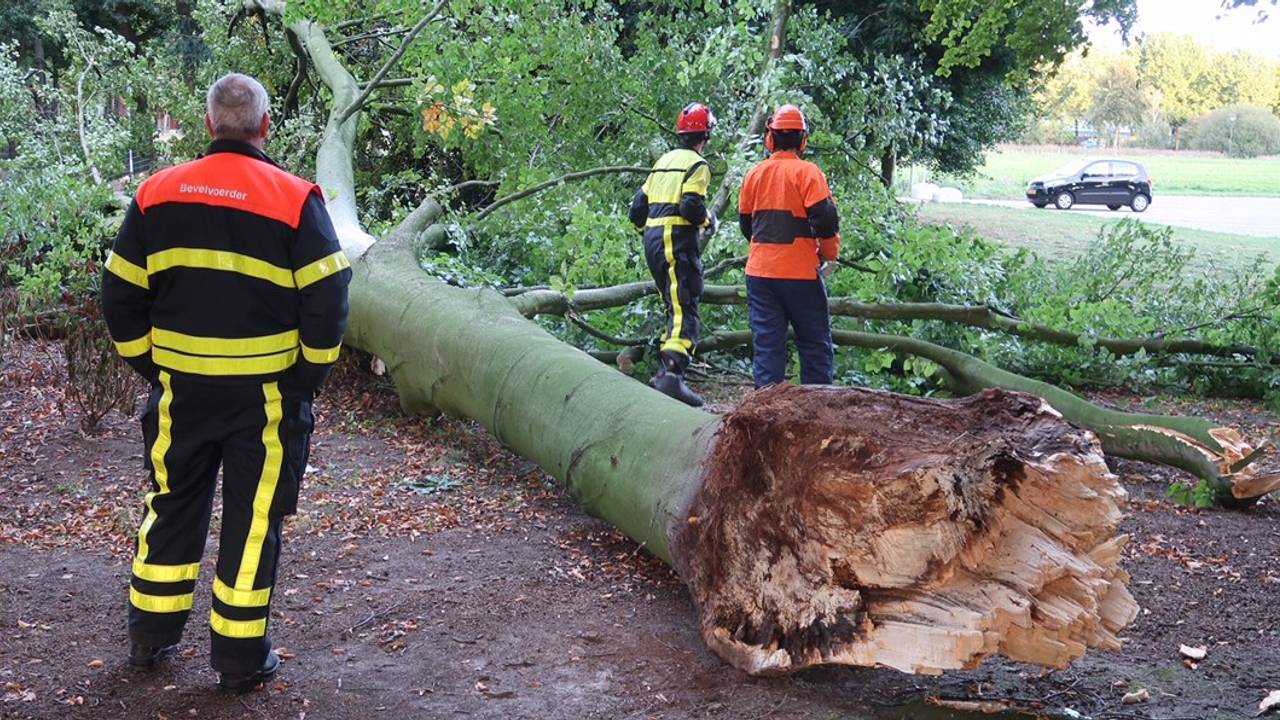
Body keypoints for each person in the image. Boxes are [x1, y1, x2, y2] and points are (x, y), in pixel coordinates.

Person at [101, 72, 351, 692]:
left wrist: (153, 366)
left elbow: (119, 294)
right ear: (264, 126)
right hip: (264, 399)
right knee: (253, 518)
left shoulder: (156, 194)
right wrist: (305, 379)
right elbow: (328, 300)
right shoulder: (295, 199)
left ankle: (149, 637)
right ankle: (239, 662)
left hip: (181, 392)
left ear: (209, 123)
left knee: (171, 503)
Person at [737, 103, 840, 387]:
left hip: (760, 274)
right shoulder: (809, 173)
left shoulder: (754, 174)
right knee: (814, 344)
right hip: (801, 274)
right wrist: (829, 256)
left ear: (770, 138)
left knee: (768, 345)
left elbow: (746, 224)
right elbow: (826, 221)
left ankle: (765, 406)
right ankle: (817, 402)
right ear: (803, 140)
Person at [629, 102, 718, 407]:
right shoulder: (697, 165)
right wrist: (708, 220)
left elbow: (636, 209)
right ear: (705, 134)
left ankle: (663, 374)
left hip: (653, 240)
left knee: (672, 304)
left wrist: (649, 231)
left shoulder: (663, 161)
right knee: (685, 304)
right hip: (676, 239)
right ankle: (671, 375)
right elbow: (691, 207)